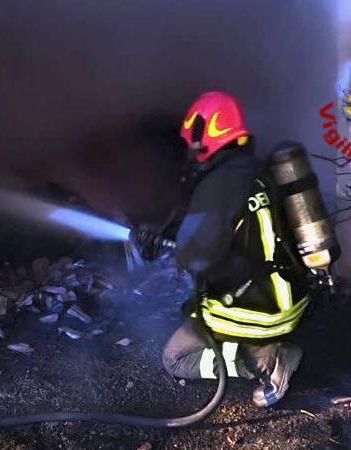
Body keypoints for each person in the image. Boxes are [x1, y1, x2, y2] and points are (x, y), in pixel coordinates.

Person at [133, 91, 312, 407]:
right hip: (289, 294)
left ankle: (265, 363)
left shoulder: (220, 183)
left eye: (192, 142)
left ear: (207, 134)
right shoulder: (255, 172)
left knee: (176, 358)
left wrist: (165, 244)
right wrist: (168, 233)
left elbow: (195, 257)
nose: (190, 150)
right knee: (196, 308)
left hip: (260, 308)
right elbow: (232, 231)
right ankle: (267, 349)